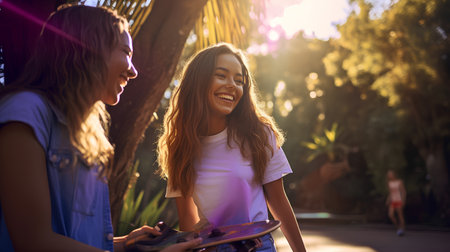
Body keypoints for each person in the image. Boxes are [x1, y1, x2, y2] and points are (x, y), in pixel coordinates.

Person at [0, 4, 201, 251]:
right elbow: (33, 241)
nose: (133, 70)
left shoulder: (87, 135)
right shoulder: (25, 112)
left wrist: (127, 244)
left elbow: (79, 241)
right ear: (89, 48)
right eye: (126, 52)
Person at [157, 43, 307, 251]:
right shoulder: (180, 147)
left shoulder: (258, 134)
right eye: (221, 75)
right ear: (198, 81)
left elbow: (279, 201)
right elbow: (187, 219)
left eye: (239, 81)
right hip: (213, 248)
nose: (232, 85)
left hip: (258, 246)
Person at [386, 170, 407, 236]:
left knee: (400, 215)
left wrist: (403, 200)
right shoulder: (389, 183)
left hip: (398, 200)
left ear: (394, 174)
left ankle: (402, 229)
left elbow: (403, 191)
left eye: (390, 174)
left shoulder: (399, 182)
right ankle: (398, 227)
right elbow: (390, 193)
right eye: (388, 175)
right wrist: (388, 199)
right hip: (393, 201)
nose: (389, 176)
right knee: (391, 215)